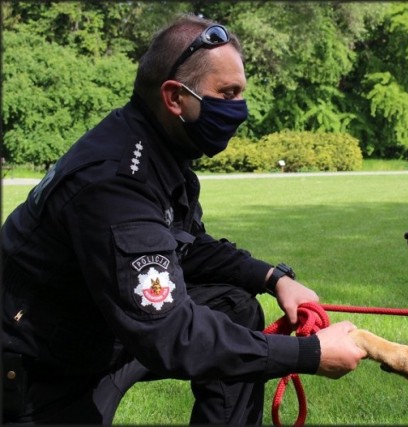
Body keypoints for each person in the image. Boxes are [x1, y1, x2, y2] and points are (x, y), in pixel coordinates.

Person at [1, 13, 366, 425]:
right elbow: (170, 334)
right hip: (42, 367)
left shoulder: (160, 151)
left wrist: (273, 278)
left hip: (103, 329)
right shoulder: (115, 181)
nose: (239, 110)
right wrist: (309, 354)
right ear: (175, 97)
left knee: (235, 307)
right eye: (227, 94)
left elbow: (187, 246)